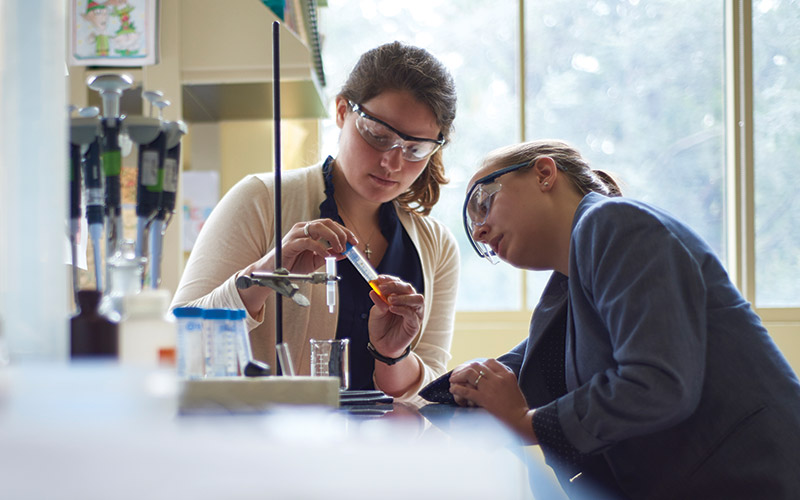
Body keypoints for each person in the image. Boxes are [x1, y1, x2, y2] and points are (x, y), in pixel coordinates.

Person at [448, 139, 800, 499]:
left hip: (755, 480)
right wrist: (402, 364)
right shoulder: (573, 286)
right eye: (473, 226)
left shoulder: (614, 222)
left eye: (483, 202)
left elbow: (657, 382)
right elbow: (512, 374)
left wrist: (528, 423)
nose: (478, 232)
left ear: (544, 173)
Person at [171, 41, 459, 399]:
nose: (392, 163)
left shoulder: (437, 247)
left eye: (416, 149)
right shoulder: (262, 199)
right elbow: (178, 339)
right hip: (268, 445)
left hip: (385, 451)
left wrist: (393, 355)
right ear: (342, 111)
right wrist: (262, 275)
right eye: (378, 136)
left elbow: (428, 387)